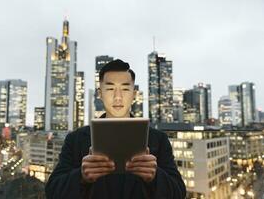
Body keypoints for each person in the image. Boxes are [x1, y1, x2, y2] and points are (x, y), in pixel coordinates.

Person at [45, 59, 186, 199]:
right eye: (110, 88)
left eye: (125, 89)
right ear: (100, 94)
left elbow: (179, 192)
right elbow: (52, 191)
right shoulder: (75, 139)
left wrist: (155, 176)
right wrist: (81, 176)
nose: (118, 97)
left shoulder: (158, 139)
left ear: (134, 94)